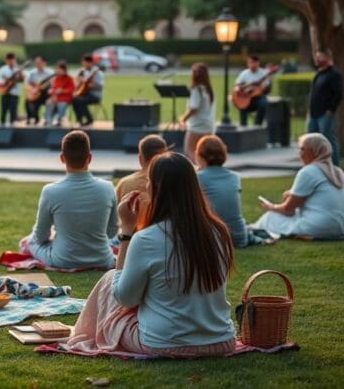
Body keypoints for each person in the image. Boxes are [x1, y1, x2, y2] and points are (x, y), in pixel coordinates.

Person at [63, 152, 236, 359]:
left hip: (164, 343)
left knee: (110, 283)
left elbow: (125, 298)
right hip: (221, 341)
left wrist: (127, 231)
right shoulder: (218, 231)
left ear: (156, 188)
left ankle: (81, 334)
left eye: (149, 182)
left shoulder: (146, 239)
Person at [19, 131, 117, 270]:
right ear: (89, 158)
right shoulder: (107, 187)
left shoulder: (50, 191)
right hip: (102, 258)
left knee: (28, 242)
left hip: (64, 260)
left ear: (62, 158)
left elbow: (40, 237)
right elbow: (112, 232)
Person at [252, 133, 344, 239]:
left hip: (323, 227)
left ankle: (252, 229)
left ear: (314, 151)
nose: (299, 154)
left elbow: (288, 208)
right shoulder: (338, 171)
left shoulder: (309, 171)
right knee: (291, 215)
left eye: (302, 150)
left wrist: (271, 207)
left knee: (270, 217)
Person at [194, 136, 249, 248]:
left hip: (213, 240)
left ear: (199, 156)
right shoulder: (234, 177)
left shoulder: (198, 178)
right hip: (239, 238)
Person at [114, 134, 168, 227]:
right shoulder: (175, 181)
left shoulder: (125, 183)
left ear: (140, 158)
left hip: (130, 237)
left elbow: (115, 218)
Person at [307, 48, 343, 165]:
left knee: (328, 140)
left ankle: (335, 166)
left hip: (325, 114)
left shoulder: (334, 75)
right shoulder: (318, 74)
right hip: (313, 114)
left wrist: (330, 110)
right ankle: (316, 166)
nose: (317, 59)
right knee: (311, 141)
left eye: (320, 57)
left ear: (328, 58)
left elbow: (338, 94)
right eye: (316, 56)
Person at [179, 62, 215, 161]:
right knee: (204, 153)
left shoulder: (196, 90)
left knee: (190, 152)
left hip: (197, 126)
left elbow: (194, 108)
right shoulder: (208, 89)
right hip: (208, 124)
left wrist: (183, 119)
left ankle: (198, 173)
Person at [233, 55, 270, 126]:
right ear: (248, 64)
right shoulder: (244, 73)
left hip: (258, 98)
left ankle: (257, 125)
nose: (253, 64)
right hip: (245, 97)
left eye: (254, 62)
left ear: (258, 63)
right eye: (251, 62)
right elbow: (237, 85)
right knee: (242, 106)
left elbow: (267, 88)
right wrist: (238, 89)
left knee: (263, 104)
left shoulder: (264, 73)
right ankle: (243, 126)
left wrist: (262, 89)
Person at [72, 54, 104, 127]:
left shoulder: (97, 73)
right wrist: (78, 82)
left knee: (80, 100)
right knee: (74, 99)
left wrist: (86, 84)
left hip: (95, 96)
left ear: (90, 63)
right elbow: (77, 84)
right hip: (85, 94)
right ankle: (79, 120)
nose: (83, 66)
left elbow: (100, 87)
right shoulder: (83, 71)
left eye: (85, 64)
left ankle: (89, 119)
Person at [0, 52, 24, 126]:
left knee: (13, 109)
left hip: (14, 93)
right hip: (4, 92)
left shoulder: (18, 69)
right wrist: (4, 81)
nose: (11, 62)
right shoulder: (2, 69)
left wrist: (20, 73)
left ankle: (12, 124)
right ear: (6, 61)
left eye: (12, 60)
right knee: (4, 109)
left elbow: (21, 80)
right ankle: (2, 124)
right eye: (9, 60)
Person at [24, 56, 54, 125]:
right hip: (35, 93)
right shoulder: (31, 73)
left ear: (44, 63)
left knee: (51, 102)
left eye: (39, 63)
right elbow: (27, 84)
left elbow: (53, 85)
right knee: (28, 101)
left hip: (47, 94)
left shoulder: (50, 73)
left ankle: (48, 120)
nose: (37, 64)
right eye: (36, 63)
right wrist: (33, 90)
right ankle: (33, 118)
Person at [43, 60, 74, 127]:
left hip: (64, 99)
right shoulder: (55, 79)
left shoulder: (69, 78)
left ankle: (58, 120)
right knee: (49, 103)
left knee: (61, 105)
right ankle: (48, 121)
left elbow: (71, 90)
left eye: (59, 69)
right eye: (56, 69)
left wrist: (62, 91)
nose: (57, 70)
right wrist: (51, 94)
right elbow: (52, 90)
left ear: (64, 70)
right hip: (55, 98)